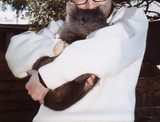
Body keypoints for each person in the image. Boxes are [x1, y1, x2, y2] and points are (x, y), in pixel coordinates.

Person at [5, 0, 149, 122]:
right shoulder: (60, 27)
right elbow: (16, 52)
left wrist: (44, 78)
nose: (91, 5)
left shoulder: (130, 18)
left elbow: (109, 50)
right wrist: (56, 47)